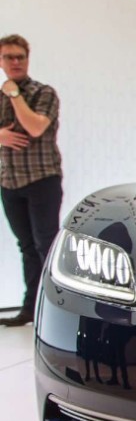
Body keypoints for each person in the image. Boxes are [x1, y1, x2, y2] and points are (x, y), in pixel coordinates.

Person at [0, 34, 62, 327]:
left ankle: (55, 311)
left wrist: (14, 94)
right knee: (26, 247)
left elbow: (35, 127)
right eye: (8, 57)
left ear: (27, 59)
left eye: (20, 57)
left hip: (42, 181)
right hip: (10, 183)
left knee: (46, 245)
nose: (15, 62)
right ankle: (30, 309)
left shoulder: (43, 93)